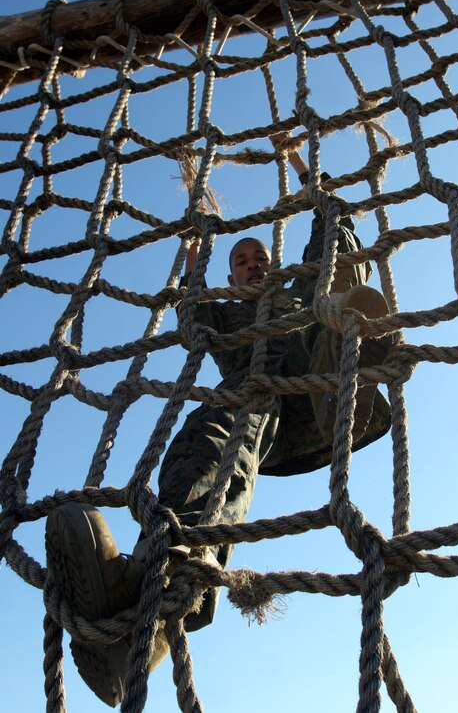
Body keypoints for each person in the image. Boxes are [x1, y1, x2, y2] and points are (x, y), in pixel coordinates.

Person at [45, 137, 392, 707]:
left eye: (260, 258)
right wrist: (195, 244)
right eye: (242, 261)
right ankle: (148, 607)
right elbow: (190, 309)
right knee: (205, 441)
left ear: (273, 266)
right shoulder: (229, 316)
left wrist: (299, 161)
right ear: (233, 278)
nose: (254, 264)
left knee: (331, 296)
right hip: (263, 406)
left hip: (319, 381)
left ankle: (347, 358)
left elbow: (335, 223)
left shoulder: (298, 285)